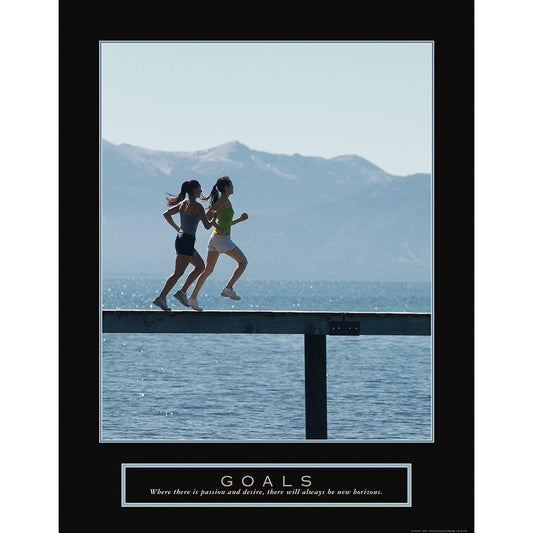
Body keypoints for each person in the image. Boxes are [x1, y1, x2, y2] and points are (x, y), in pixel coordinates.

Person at [152, 179, 225, 311]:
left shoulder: (183, 203)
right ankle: (162, 297)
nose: (201, 191)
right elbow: (207, 226)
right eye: (199, 188)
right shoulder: (197, 206)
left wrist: (177, 228)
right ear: (194, 190)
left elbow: (166, 214)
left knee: (200, 266)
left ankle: (182, 292)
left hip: (182, 239)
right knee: (178, 272)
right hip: (187, 240)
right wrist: (215, 217)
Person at [187, 176, 248, 312]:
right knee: (243, 262)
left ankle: (193, 297)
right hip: (222, 239)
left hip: (215, 239)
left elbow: (225, 224)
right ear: (226, 187)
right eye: (231, 185)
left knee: (208, 270)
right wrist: (216, 226)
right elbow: (207, 216)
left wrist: (239, 220)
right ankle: (228, 288)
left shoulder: (225, 200)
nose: (233, 187)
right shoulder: (223, 200)